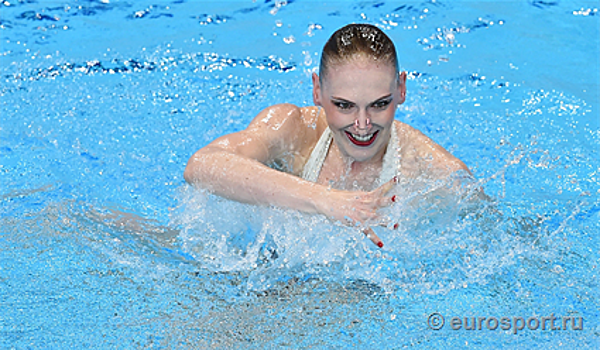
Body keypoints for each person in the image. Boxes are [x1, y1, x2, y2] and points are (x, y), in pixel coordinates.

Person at [184, 24, 470, 248]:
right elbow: (202, 165)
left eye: (380, 104)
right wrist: (325, 200)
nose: (362, 124)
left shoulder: (436, 173)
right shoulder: (295, 129)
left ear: (401, 89)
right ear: (317, 90)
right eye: (344, 105)